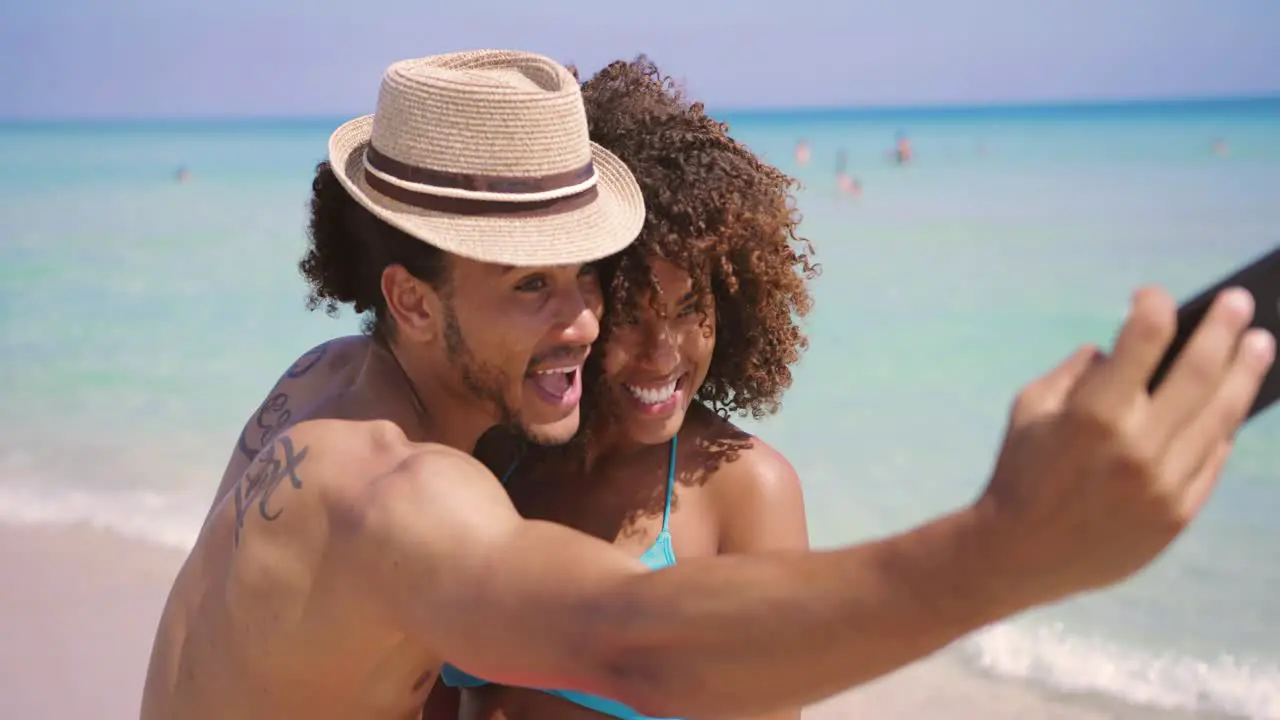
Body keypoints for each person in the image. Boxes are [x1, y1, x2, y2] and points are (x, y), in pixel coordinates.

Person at [140, 49, 1274, 720]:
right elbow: (633, 638)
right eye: (530, 284)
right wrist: (1006, 547)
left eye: (590, 279)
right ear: (415, 299)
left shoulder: (322, 382)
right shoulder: (402, 494)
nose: (583, 321)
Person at [430, 56, 816, 720]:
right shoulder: (499, 453)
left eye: (691, 308)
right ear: (577, 305)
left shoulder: (746, 493)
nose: (662, 353)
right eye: (633, 313)